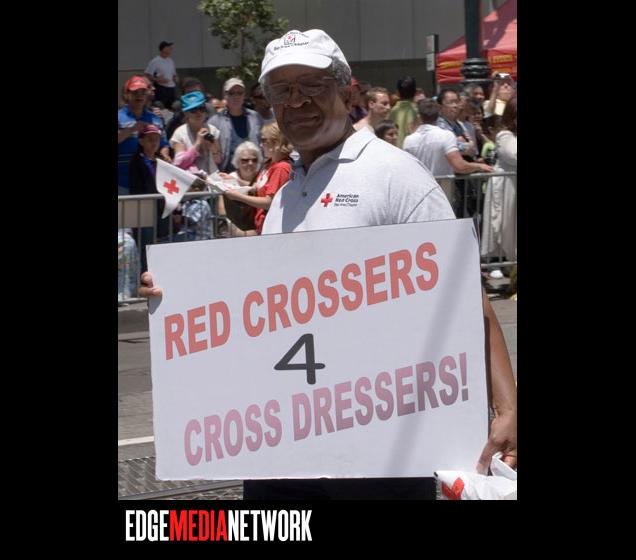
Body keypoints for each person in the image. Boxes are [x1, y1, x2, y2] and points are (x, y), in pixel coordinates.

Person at [140, 28, 517, 499]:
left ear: (347, 91)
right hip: (283, 450)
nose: (296, 101)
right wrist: (177, 294)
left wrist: (507, 408)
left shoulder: (395, 174)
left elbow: (466, 298)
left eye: (311, 85)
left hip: (384, 449)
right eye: (282, 90)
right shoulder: (286, 193)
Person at [403, 100, 493, 209]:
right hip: (441, 195)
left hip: (418, 195)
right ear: (438, 114)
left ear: (419, 116)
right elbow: (459, 166)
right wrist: (479, 166)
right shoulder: (446, 136)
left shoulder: (409, 140)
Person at [222, 122, 293, 234]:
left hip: (272, 229)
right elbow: (259, 187)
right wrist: (234, 180)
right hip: (262, 226)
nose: (260, 145)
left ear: (276, 142)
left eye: (264, 140)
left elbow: (269, 202)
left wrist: (238, 197)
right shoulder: (270, 164)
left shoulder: (281, 168)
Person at [481, 96, 517, 280]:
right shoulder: (504, 136)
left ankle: (511, 263)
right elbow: (514, 154)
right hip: (505, 187)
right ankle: (496, 261)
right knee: (501, 222)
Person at [128, 124, 172, 272]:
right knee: (146, 245)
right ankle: (145, 275)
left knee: (161, 243)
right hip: (143, 209)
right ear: (141, 141)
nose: (154, 143)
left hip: (160, 209)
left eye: (156, 139)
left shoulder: (161, 160)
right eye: (150, 139)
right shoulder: (137, 160)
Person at [118, 76, 171, 193]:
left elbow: (164, 144)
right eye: (135, 92)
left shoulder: (155, 119)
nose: (140, 95)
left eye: (143, 92)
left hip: (148, 180)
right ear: (126, 94)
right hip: (122, 181)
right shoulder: (119, 117)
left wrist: (164, 155)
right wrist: (132, 129)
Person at [207, 77, 263, 173]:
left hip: (254, 173)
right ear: (225, 96)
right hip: (226, 175)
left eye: (239, 93)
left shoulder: (256, 117)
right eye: (231, 93)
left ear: (244, 95)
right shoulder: (215, 121)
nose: (236, 97)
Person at [170, 91, 222, 178]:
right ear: (185, 113)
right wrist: (197, 143)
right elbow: (179, 164)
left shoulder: (213, 131)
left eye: (201, 108)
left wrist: (213, 148)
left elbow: (218, 161)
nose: (199, 113)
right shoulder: (180, 133)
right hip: (191, 181)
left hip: (212, 178)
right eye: (193, 110)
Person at [217, 141, 264, 237]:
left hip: (259, 224)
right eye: (245, 160)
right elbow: (222, 209)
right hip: (235, 225)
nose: (250, 163)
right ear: (237, 162)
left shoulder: (262, 177)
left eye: (254, 160)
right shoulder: (229, 178)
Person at [145, 41, 179, 110]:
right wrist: (157, 79)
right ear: (163, 49)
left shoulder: (170, 61)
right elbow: (147, 75)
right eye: (169, 47)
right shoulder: (155, 61)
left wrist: (176, 78)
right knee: (161, 108)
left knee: (172, 108)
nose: (171, 49)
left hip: (171, 88)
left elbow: (174, 74)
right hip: (161, 88)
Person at [389, 76, 418, 148]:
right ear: (415, 92)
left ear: (397, 93)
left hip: (395, 151)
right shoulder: (419, 112)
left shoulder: (390, 112)